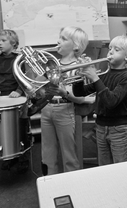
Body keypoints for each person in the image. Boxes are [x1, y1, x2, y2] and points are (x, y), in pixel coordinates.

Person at [72, 35, 127, 166]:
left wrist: (95, 78)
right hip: (100, 127)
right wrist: (79, 76)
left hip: (119, 129)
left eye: (116, 49)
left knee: (122, 169)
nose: (111, 52)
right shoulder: (104, 75)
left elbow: (111, 101)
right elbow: (79, 92)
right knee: (104, 168)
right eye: (110, 48)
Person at [40, 26, 89, 175]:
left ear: (75, 46)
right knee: (47, 151)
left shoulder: (79, 66)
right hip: (46, 108)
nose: (58, 41)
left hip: (65, 109)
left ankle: (72, 184)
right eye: (59, 37)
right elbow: (37, 85)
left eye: (63, 38)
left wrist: (64, 93)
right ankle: (48, 181)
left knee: (69, 152)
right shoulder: (52, 64)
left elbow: (81, 99)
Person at [0, 29, 30, 173]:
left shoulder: (19, 59)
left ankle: (24, 158)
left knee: (21, 128)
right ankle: (9, 158)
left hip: (19, 97)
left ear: (13, 43)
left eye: (3, 41)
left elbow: (24, 78)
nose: (0, 43)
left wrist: (18, 92)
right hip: (3, 97)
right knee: (5, 129)